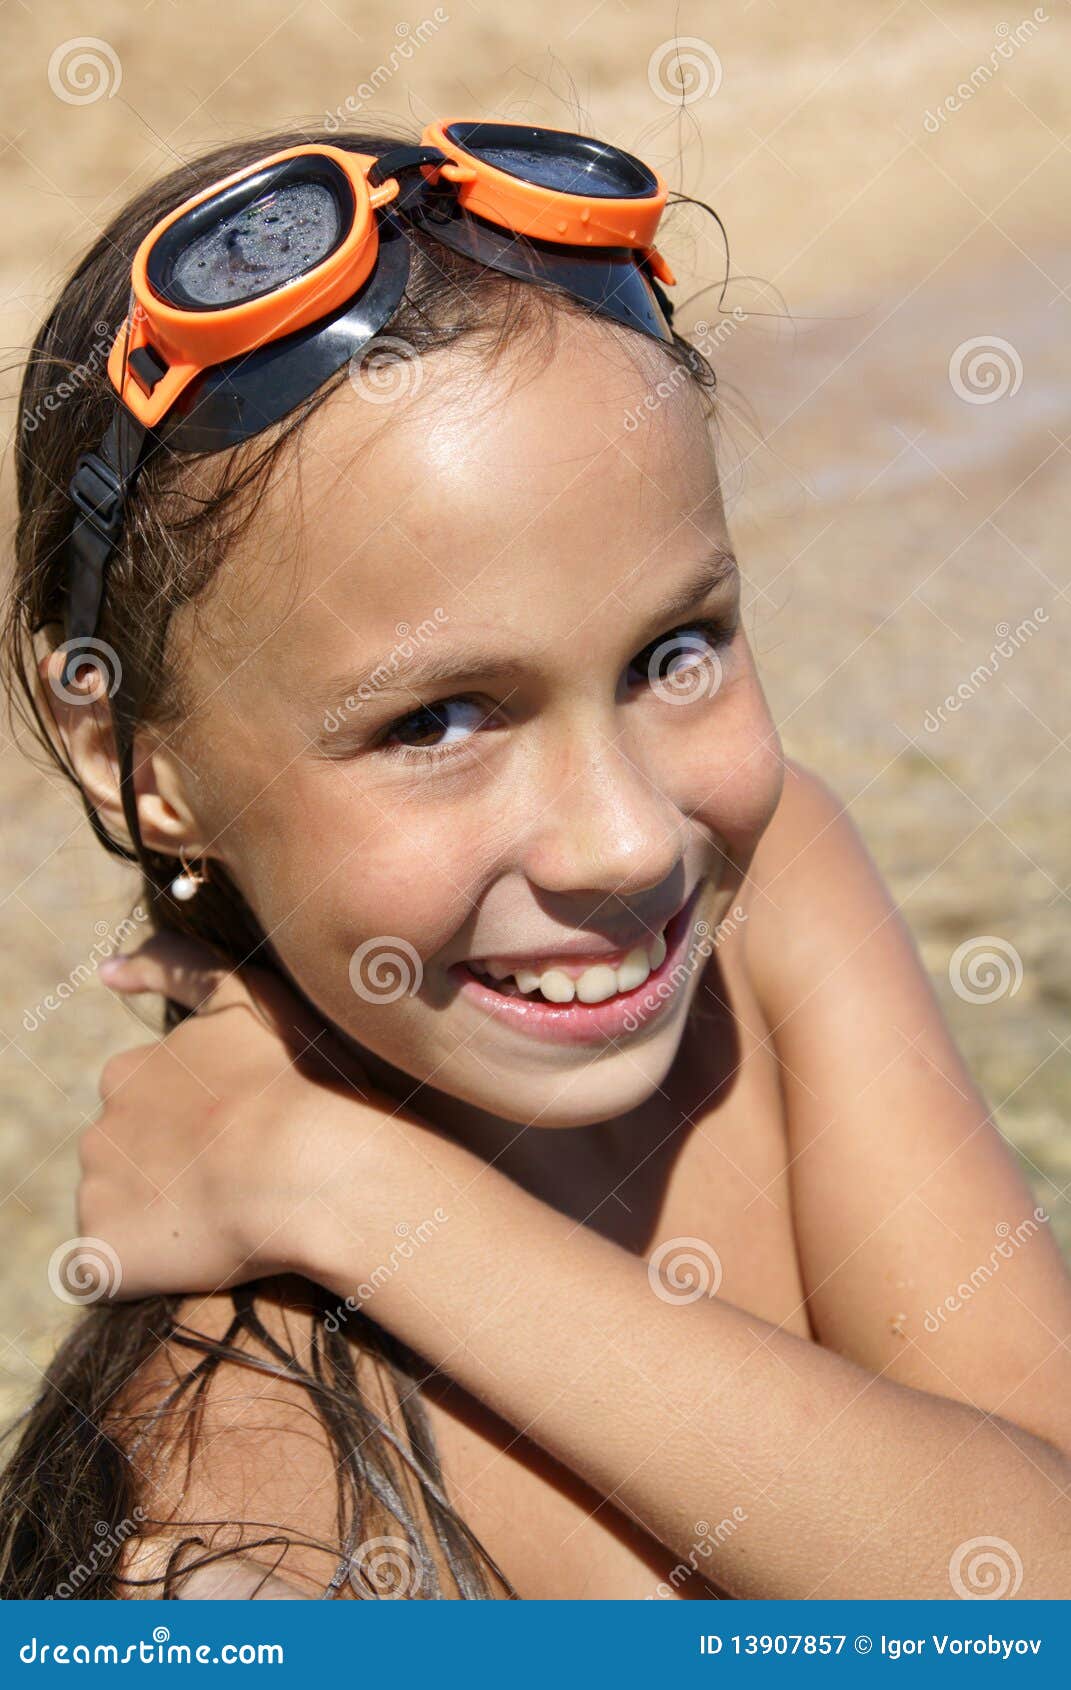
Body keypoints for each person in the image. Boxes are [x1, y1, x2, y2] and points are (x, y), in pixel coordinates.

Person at [2, 119, 1069, 1602]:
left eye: (673, 651)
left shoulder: (767, 900)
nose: (630, 835)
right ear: (140, 756)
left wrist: (347, 1187)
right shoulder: (232, 1521)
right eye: (439, 716)